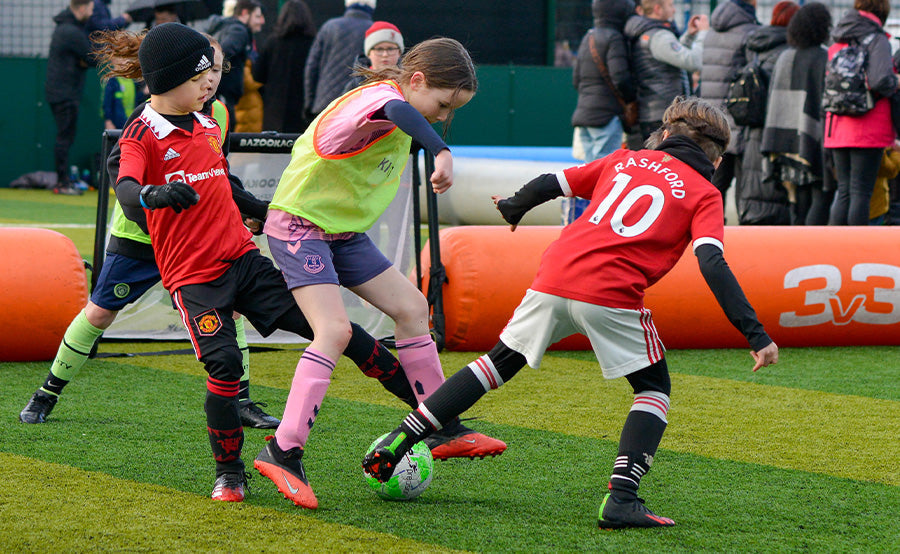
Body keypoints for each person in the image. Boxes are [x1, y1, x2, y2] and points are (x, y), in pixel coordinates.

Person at [363, 96, 779, 530]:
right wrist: (755, 334)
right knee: (653, 390)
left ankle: (402, 438)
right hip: (612, 292)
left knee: (496, 365)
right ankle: (622, 499)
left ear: (669, 134)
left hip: (554, 273)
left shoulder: (624, 159)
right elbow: (712, 263)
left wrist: (513, 206)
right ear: (717, 155)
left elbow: (550, 182)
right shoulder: (705, 193)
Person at [89, 22, 445, 503]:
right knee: (225, 369)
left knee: (335, 331)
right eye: (201, 77)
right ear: (169, 80)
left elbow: (225, 188)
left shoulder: (211, 123)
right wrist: (155, 194)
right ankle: (230, 473)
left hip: (242, 258)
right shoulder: (139, 134)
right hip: (194, 278)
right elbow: (128, 191)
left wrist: (264, 214)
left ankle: (434, 413)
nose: (210, 84)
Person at [259, 37, 507, 509]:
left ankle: (440, 425)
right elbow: (401, 113)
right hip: (299, 228)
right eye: (441, 103)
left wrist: (435, 138)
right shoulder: (382, 99)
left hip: (343, 233)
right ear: (415, 81)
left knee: (413, 308)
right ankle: (282, 449)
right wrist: (441, 150)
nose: (440, 115)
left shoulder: (400, 101)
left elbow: (410, 115)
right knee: (332, 331)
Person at [19, 34, 278, 430]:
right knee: (101, 313)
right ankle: (47, 393)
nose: (211, 80)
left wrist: (255, 212)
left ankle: (242, 402)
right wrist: (158, 219)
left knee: (232, 308)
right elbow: (120, 174)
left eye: (218, 70)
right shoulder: (148, 116)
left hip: (194, 244)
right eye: (204, 70)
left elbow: (219, 178)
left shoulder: (218, 115)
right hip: (141, 237)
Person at [825, 0, 899, 226]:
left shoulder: (839, 39)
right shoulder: (877, 40)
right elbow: (880, 81)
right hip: (868, 126)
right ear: (882, 12)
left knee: (844, 191)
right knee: (861, 192)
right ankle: (855, 252)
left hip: (837, 124)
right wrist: (896, 81)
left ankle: (835, 248)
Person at [760, 2, 833, 225]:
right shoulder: (823, 57)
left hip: (782, 143)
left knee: (798, 203)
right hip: (810, 141)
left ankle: (798, 255)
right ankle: (814, 252)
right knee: (821, 196)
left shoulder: (785, 57)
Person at [566, 0, 637, 224]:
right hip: (606, 116)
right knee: (606, 177)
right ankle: (598, 224)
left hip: (583, 114)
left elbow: (576, 80)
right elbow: (621, 78)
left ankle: (582, 221)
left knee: (588, 176)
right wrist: (631, 99)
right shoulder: (614, 38)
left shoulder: (588, 36)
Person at [733, 1, 799, 225]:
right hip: (778, 128)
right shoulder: (790, 52)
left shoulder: (756, 47)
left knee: (753, 184)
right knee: (774, 190)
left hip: (752, 128)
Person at [700, 0, 760, 219]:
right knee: (744, 188)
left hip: (712, 119)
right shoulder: (749, 32)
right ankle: (742, 241)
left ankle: (711, 231)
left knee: (715, 183)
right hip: (739, 117)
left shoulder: (712, 32)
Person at [623, 0, 707, 141]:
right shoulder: (659, 36)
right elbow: (693, 62)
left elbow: (671, 58)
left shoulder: (647, 32)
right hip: (664, 114)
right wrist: (703, 34)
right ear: (657, 9)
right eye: (670, 5)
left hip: (654, 111)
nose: (674, 10)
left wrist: (689, 36)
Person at [45, 0, 96, 196]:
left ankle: (64, 180)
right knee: (64, 138)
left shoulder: (66, 28)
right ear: (82, 8)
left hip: (61, 92)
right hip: (64, 93)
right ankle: (63, 182)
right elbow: (92, 57)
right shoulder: (70, 31)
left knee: (65, 137)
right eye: (91, 9)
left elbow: (85, 58)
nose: (92, 13)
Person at [252, 0, 316, 133]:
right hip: (303, 111)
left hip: (274, 110)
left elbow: (258, 75)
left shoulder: (272, 42)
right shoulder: (312, 43)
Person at [303, 0, 375, 119]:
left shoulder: (329, 26)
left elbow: (311, 67)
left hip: (324, 105)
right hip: (355, 107)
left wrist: (310, 103)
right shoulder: (373, 31)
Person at [207, 0, 265, 128]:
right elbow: (224, 51)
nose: (262, 21)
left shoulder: (226, 26)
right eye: (257, 16)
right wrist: (221, 72)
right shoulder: (239, 30)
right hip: (223, 95)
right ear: (245, 13)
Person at [343, 21, 404, 93]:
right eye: (379, 49)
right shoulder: (354, 87)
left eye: (390, 49)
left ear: (399, 52)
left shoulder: (409, 82)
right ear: (369, 54)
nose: (385, 54)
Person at [102, 62, 147, 129]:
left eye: (125, 59)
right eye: (120, 60)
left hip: (131, 124)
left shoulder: (133, 82)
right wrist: (108, 121)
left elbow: (136, 100)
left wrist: (144, 93)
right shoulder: (112, 82)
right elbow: (107, 104)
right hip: (117, 126)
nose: (123, 63)